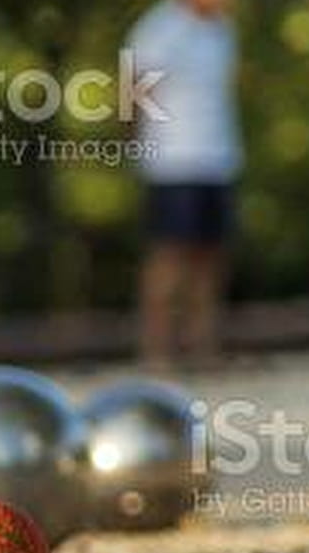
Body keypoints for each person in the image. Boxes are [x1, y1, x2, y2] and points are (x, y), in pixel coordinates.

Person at [126, 0, 242, 370]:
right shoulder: (161, 27)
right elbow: (133, 88)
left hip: (217, 158)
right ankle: (157, 352)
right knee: (169, 256)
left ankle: (203, 348)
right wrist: (133, 144)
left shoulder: (222, 30)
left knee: (211, 256)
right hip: (173, 159)